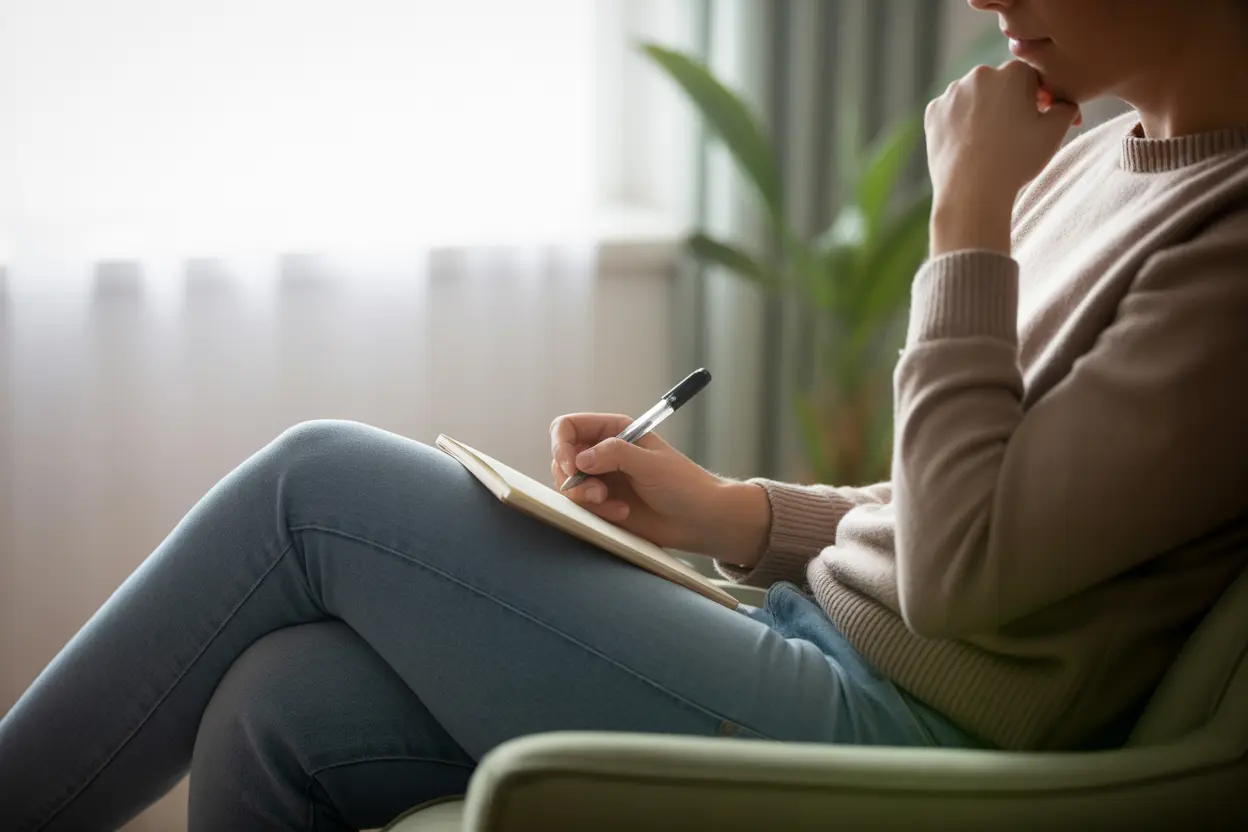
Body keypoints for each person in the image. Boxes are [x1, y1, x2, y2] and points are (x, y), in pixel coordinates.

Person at [3, 0, 1247, 828]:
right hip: (818, 644)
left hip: (916, 738)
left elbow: (972, 568)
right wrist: (734, 512)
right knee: (279, 702)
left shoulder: (1228, 250)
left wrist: (965, 224)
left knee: (313, 486)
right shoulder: (1098, 154)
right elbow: (964, 490)